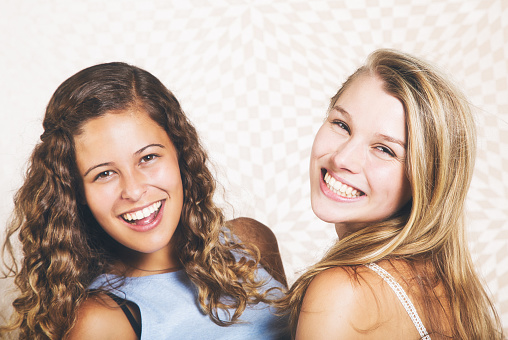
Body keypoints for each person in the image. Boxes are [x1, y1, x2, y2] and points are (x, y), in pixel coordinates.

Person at [1, 62, 289, 339]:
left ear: (180, 152)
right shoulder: (98, 321)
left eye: (148, 157)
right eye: (104, 174)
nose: (134, 190)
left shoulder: (251, 242)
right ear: (76, 192)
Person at [278, 49, 504, 339]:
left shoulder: (344, 291)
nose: (342, 159)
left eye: (384, 149)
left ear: (427, 180)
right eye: (341, 125)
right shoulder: (453, 294)